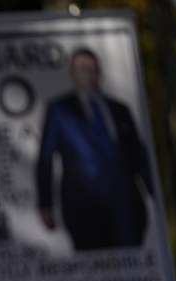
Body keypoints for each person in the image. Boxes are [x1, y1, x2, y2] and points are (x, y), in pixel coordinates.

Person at [36, 47, 154, 250]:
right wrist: (46, 205)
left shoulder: (119, 109)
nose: (89, 75)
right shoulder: (60, 110)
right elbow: (45, 159)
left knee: (131, 267)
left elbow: (138, 155)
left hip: (126, 208)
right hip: (84, 209)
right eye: (83, 69)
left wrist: (156, 194)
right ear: (73, 75)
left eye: (92, 70)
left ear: (99, 73)